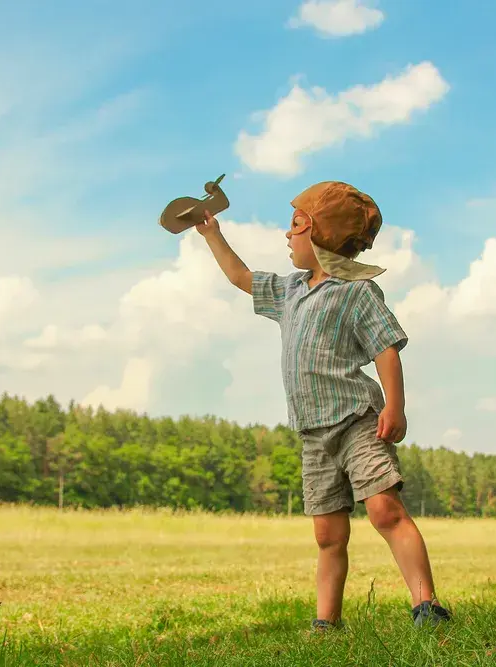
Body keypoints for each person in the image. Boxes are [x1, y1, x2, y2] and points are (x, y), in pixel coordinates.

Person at [196, 180, 451, 630]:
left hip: (357, 422)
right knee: (327, 534)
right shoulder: (289, 291)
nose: (287, 235)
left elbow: (386, 349)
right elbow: (241, 277)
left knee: (384, 510)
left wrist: (396, 406)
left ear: (321, 233)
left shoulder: (356, 291)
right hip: (313, 432)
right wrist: (212, 233)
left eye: (296, 225)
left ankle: (426, 606)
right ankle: (326, 623)